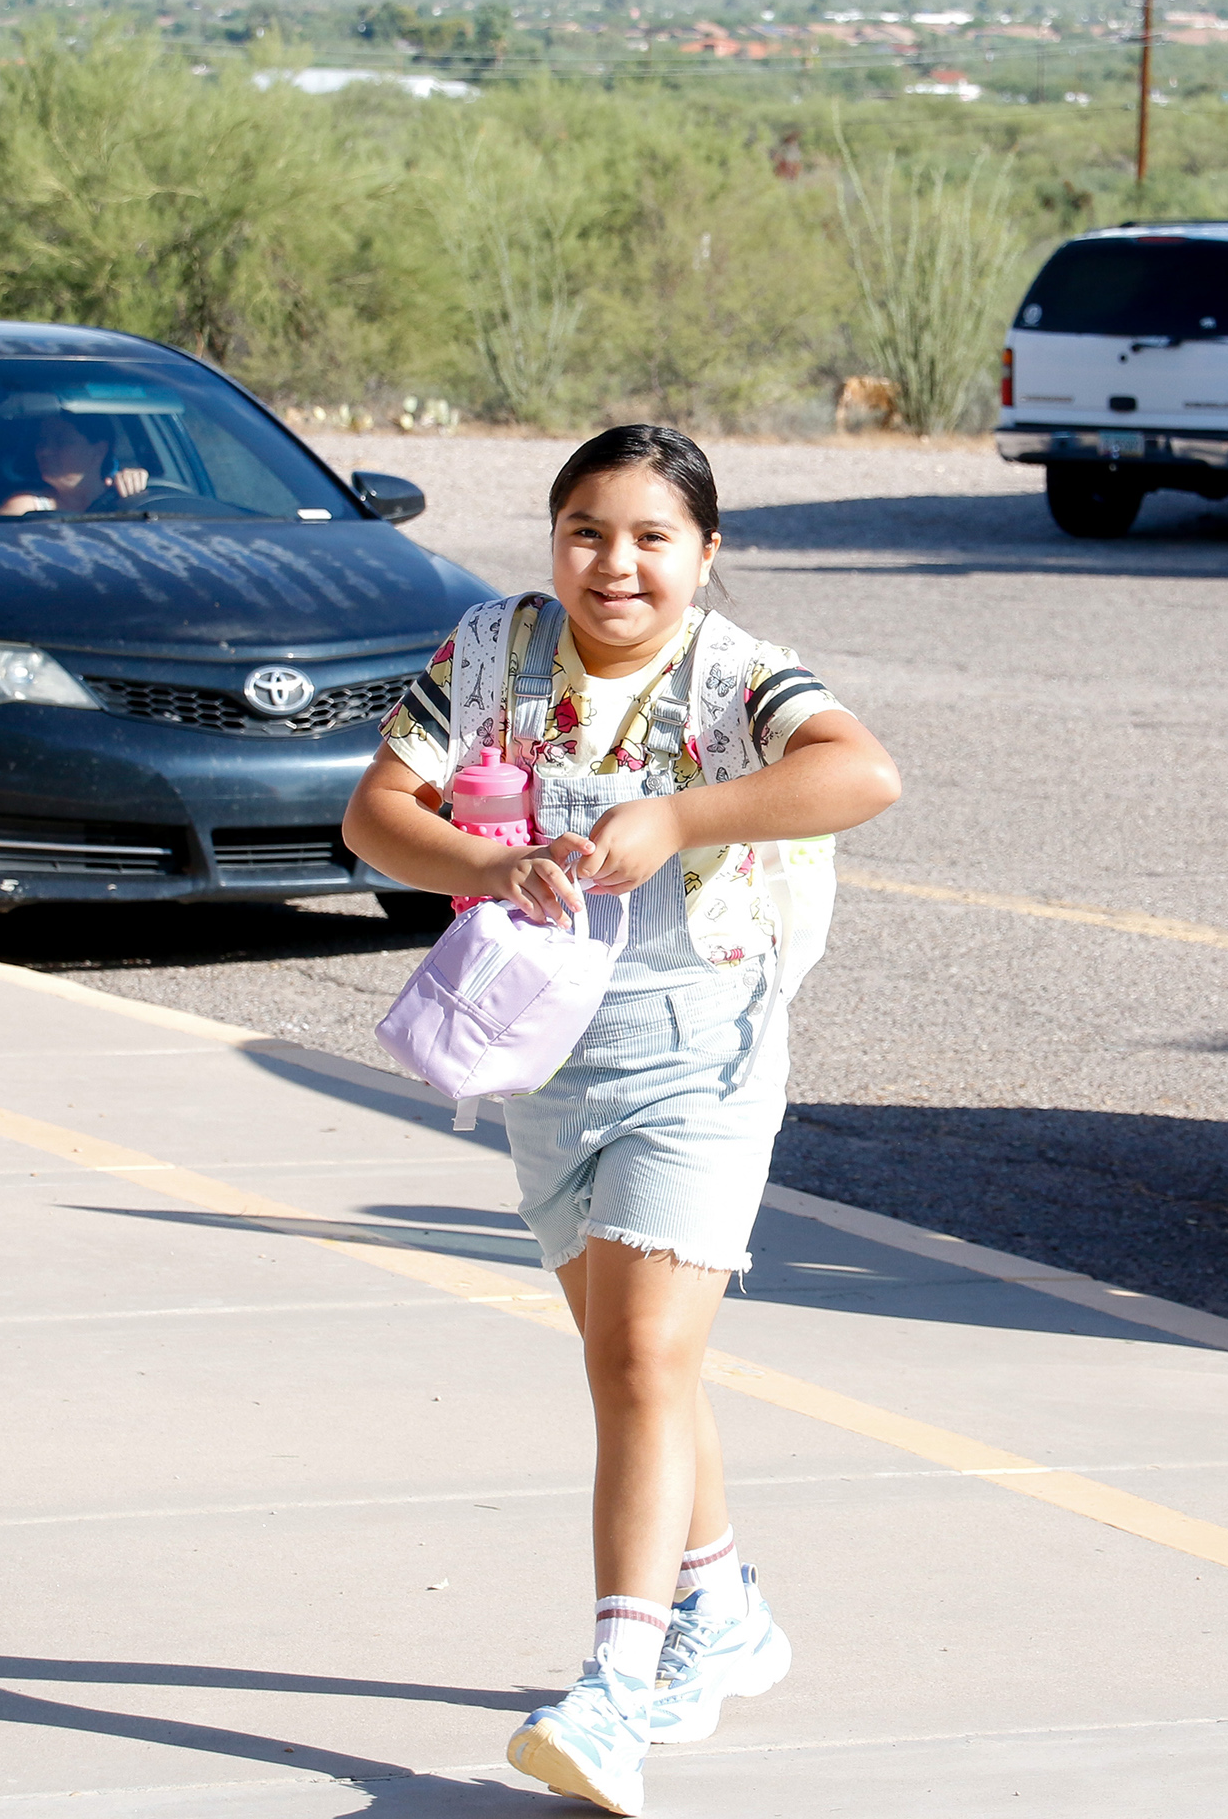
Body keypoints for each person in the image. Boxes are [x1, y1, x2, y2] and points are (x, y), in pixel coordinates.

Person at [342, 425, 902, 1816]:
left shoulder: (734, 673)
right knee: (632, 1363)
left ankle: (615, 1694)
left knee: (646, 1358)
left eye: (654, 536)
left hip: (697, 1054)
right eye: (588, 530)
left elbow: (860, 774)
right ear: (552, 543)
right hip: (542, 1055)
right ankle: (726, 1611)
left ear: (706, 556)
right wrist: (486, 859)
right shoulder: (491, 654)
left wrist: (681, 817)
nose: (617, 564)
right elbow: (375, 812)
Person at [0, 408, 148, 517]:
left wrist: (137, 487)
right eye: (42, 442)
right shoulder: (23, 508)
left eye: (61, 442)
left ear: (99, 450)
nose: (44, 451)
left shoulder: (128, 498)